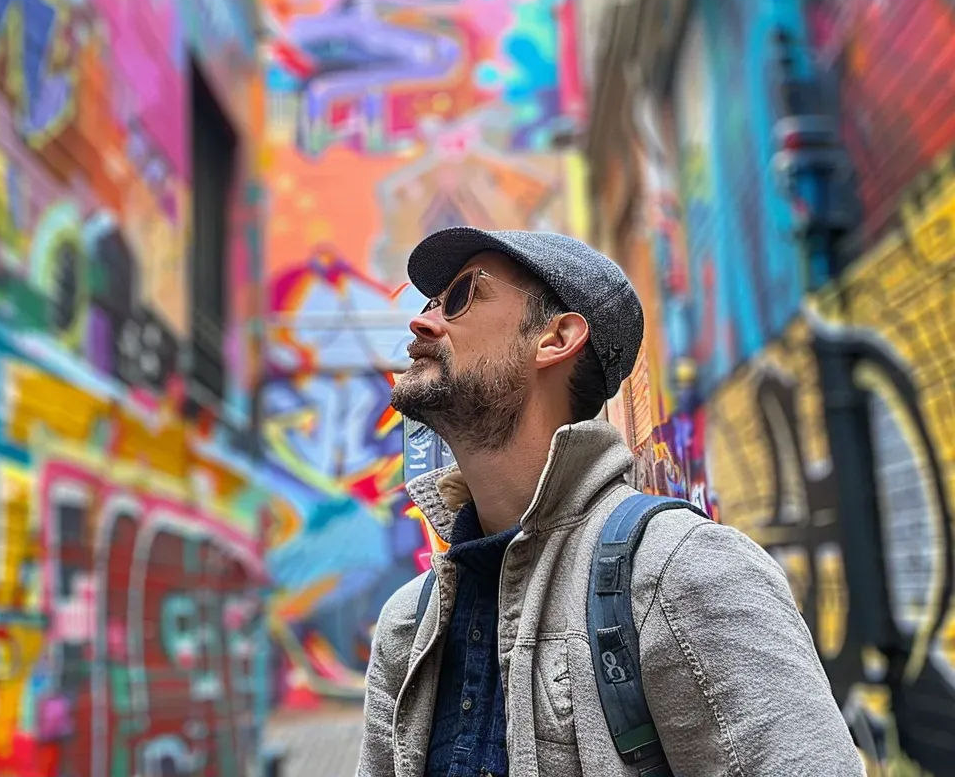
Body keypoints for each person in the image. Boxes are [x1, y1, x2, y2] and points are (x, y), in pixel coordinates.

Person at [357, 227, 865, 777]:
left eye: (460, 298)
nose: (421, 321)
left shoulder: (682, 574)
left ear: (555, 338)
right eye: (429, 303)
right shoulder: (409, 626)